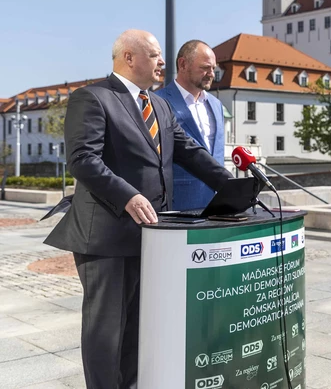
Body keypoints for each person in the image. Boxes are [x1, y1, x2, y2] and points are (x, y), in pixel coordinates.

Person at [44, 30, 234, 389]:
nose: (162, 62)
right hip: (107, 236)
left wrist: (235, 185)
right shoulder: (93, 98)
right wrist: (128, 196)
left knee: (137, 325)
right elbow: (83, 160)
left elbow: (191, 153)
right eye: (155, 54)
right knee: (107, 331)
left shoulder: (158, 104)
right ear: (129, 57)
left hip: (152, 236)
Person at [155, 40, 226, 211]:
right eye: (205, 68)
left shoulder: (216, 104)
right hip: (179, 205)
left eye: (213, 69)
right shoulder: (158, 101)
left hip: (219, 204)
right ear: (183, 64)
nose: (211, 74)